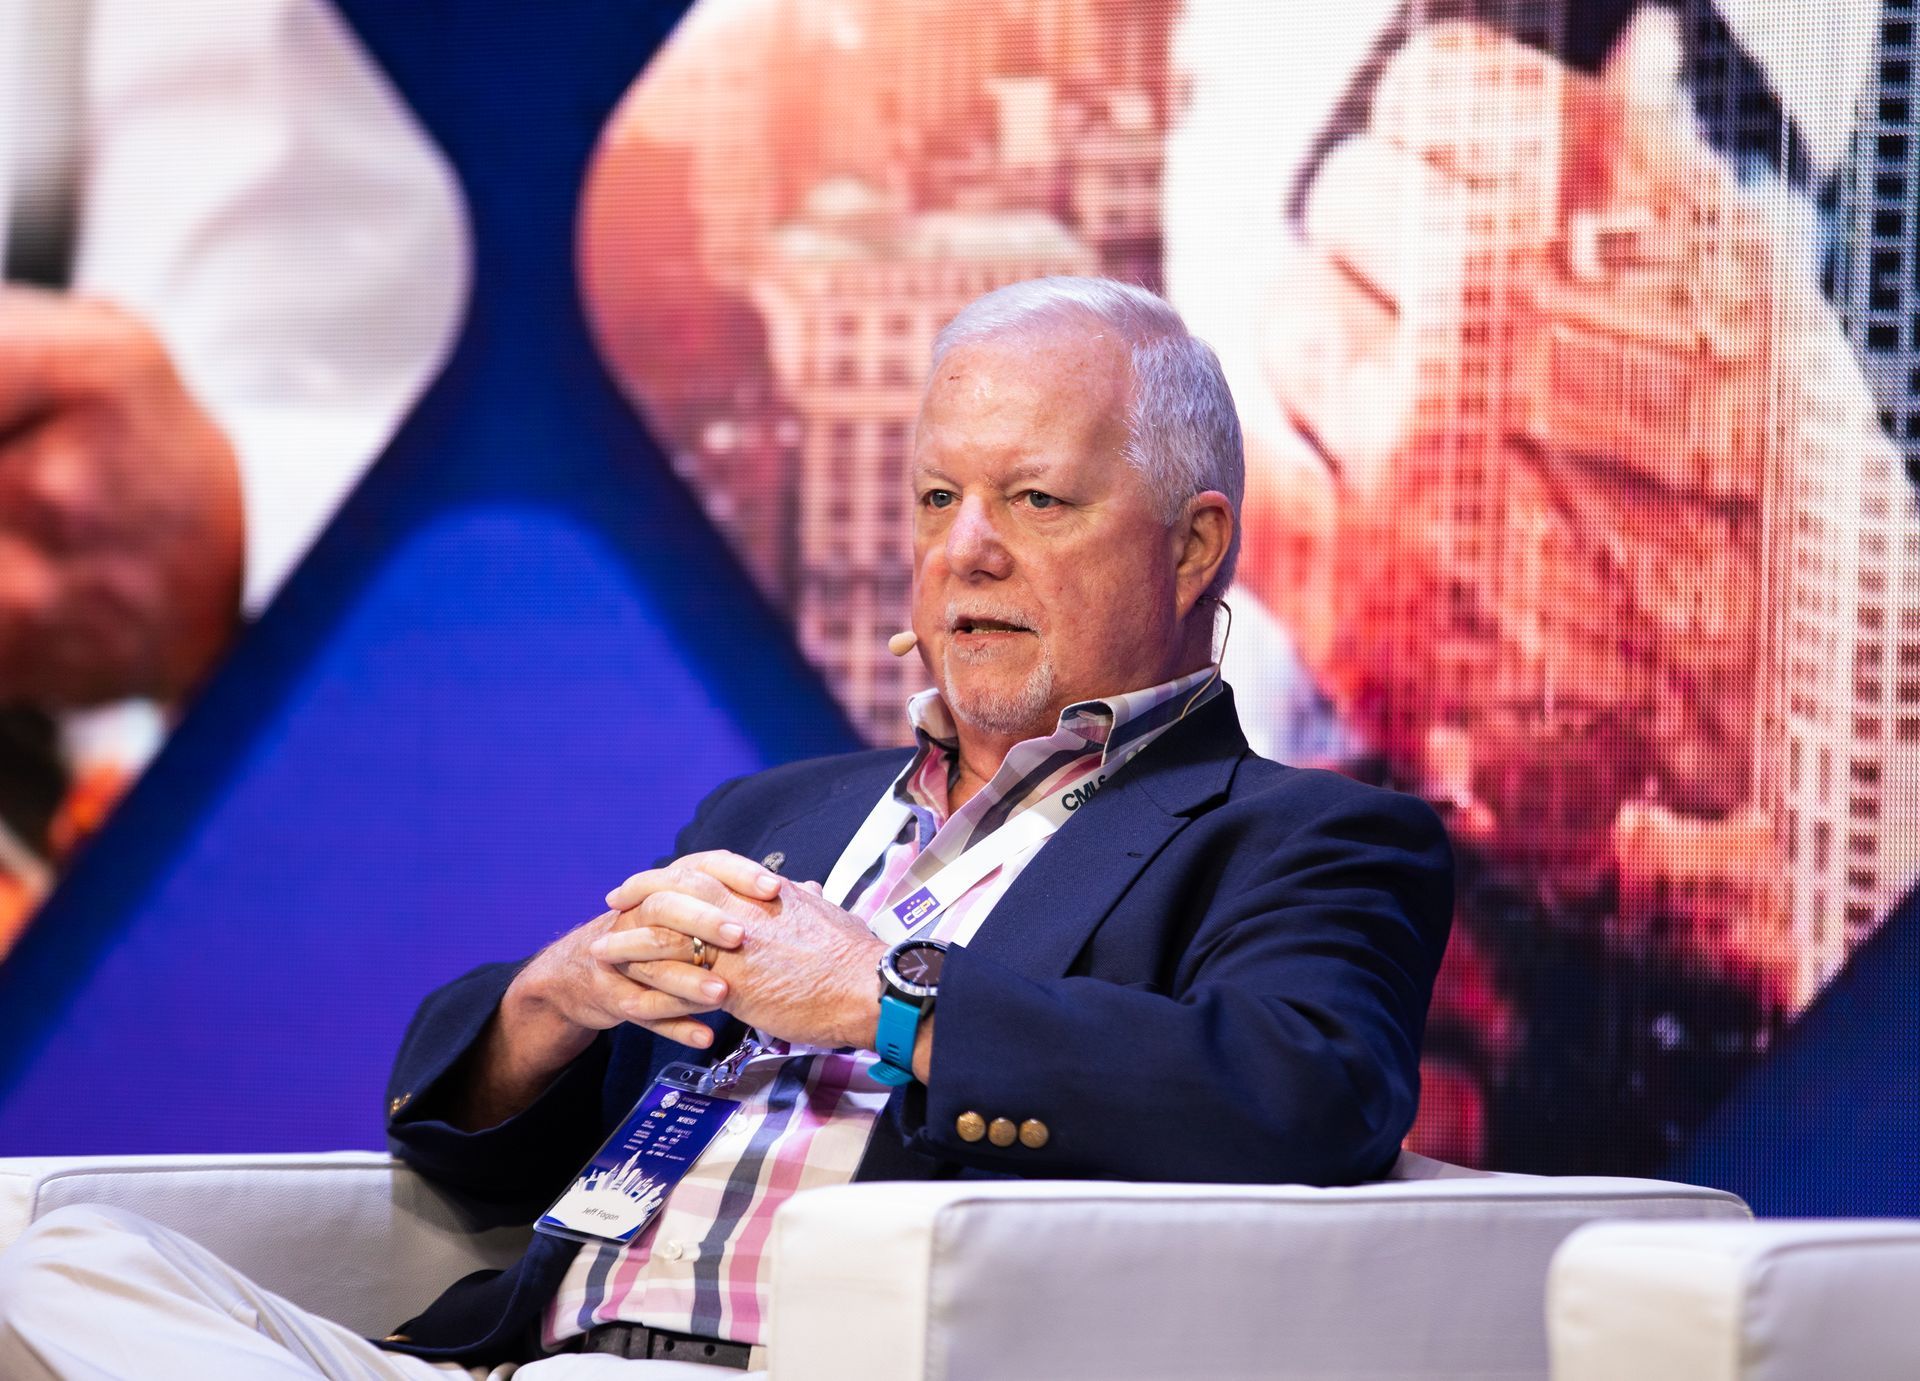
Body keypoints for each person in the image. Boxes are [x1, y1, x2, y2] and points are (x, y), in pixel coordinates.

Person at [0, 277, 1454, 1378]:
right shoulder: (784, 814)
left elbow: (1301, 1091)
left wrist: (884, 1002)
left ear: (1194, 544)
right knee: (55, 1259)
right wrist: (556, 997)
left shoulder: (1301, 838)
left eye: (1035, 500)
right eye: (939, 495)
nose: (965, 552)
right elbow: (485, 1162)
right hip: (521, 1351)